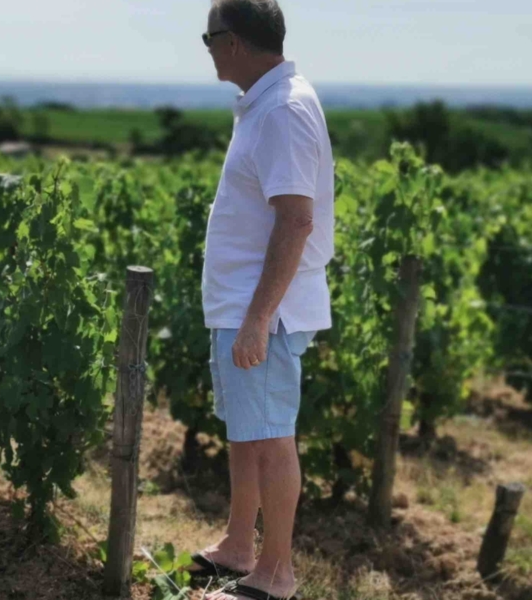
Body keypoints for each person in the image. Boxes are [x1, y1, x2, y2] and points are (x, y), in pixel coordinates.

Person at [187, 1, 335, 599]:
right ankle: (238, 546)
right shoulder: (266, 104)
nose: (207, 50)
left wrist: (258, 317)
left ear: (234, 42)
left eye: (208, 39)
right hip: (243, 306)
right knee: (248, 431)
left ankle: (276, 572)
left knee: (272, 436)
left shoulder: (282, 111)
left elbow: (296, 220)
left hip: (264, 312)